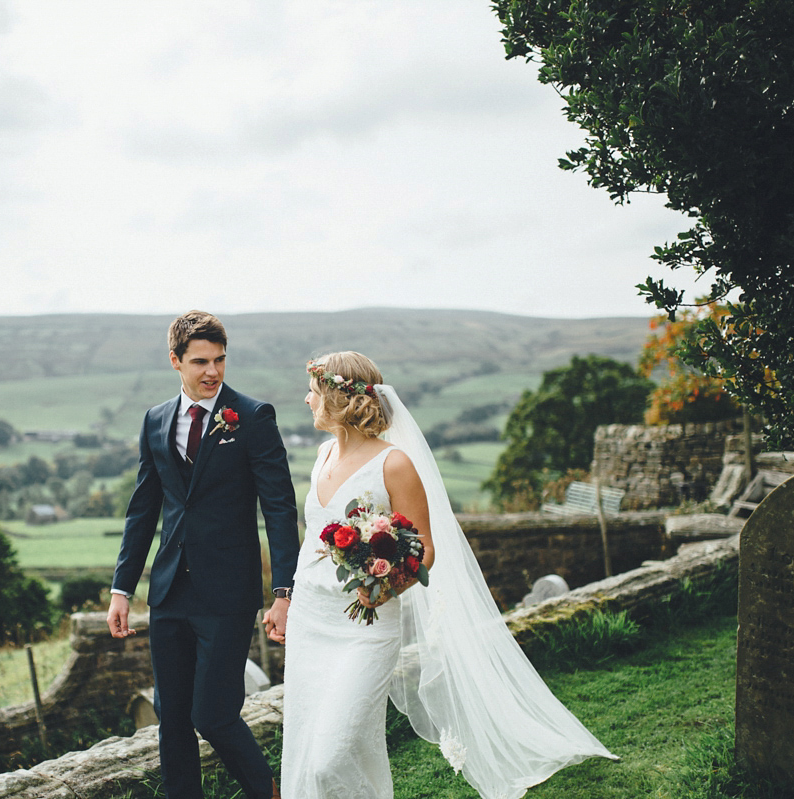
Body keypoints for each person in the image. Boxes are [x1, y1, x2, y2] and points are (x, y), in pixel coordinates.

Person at [274, 352, 617, 799]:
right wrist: (290, 600)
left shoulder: (394, 464)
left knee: (331, 755)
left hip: (365, 627)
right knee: (317, 747)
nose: (306, 400)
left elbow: (425, 548)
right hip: (311, 623)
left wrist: (381, 589)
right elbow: (312, 545)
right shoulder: (320, 455)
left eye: (314, 391)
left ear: (339, 397)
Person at [108, 311, 300, 799]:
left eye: (219, 360)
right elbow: (143, 510)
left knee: (212, 715)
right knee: (171, 719)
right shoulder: (154, 420)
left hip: (228, 592)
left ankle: (267, 793)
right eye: (199, 361)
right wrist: (122, 588)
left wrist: (284, 592)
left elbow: (278, 508)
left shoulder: (253, 417)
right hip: (170, 590)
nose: (212, 371)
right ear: (175, 361)